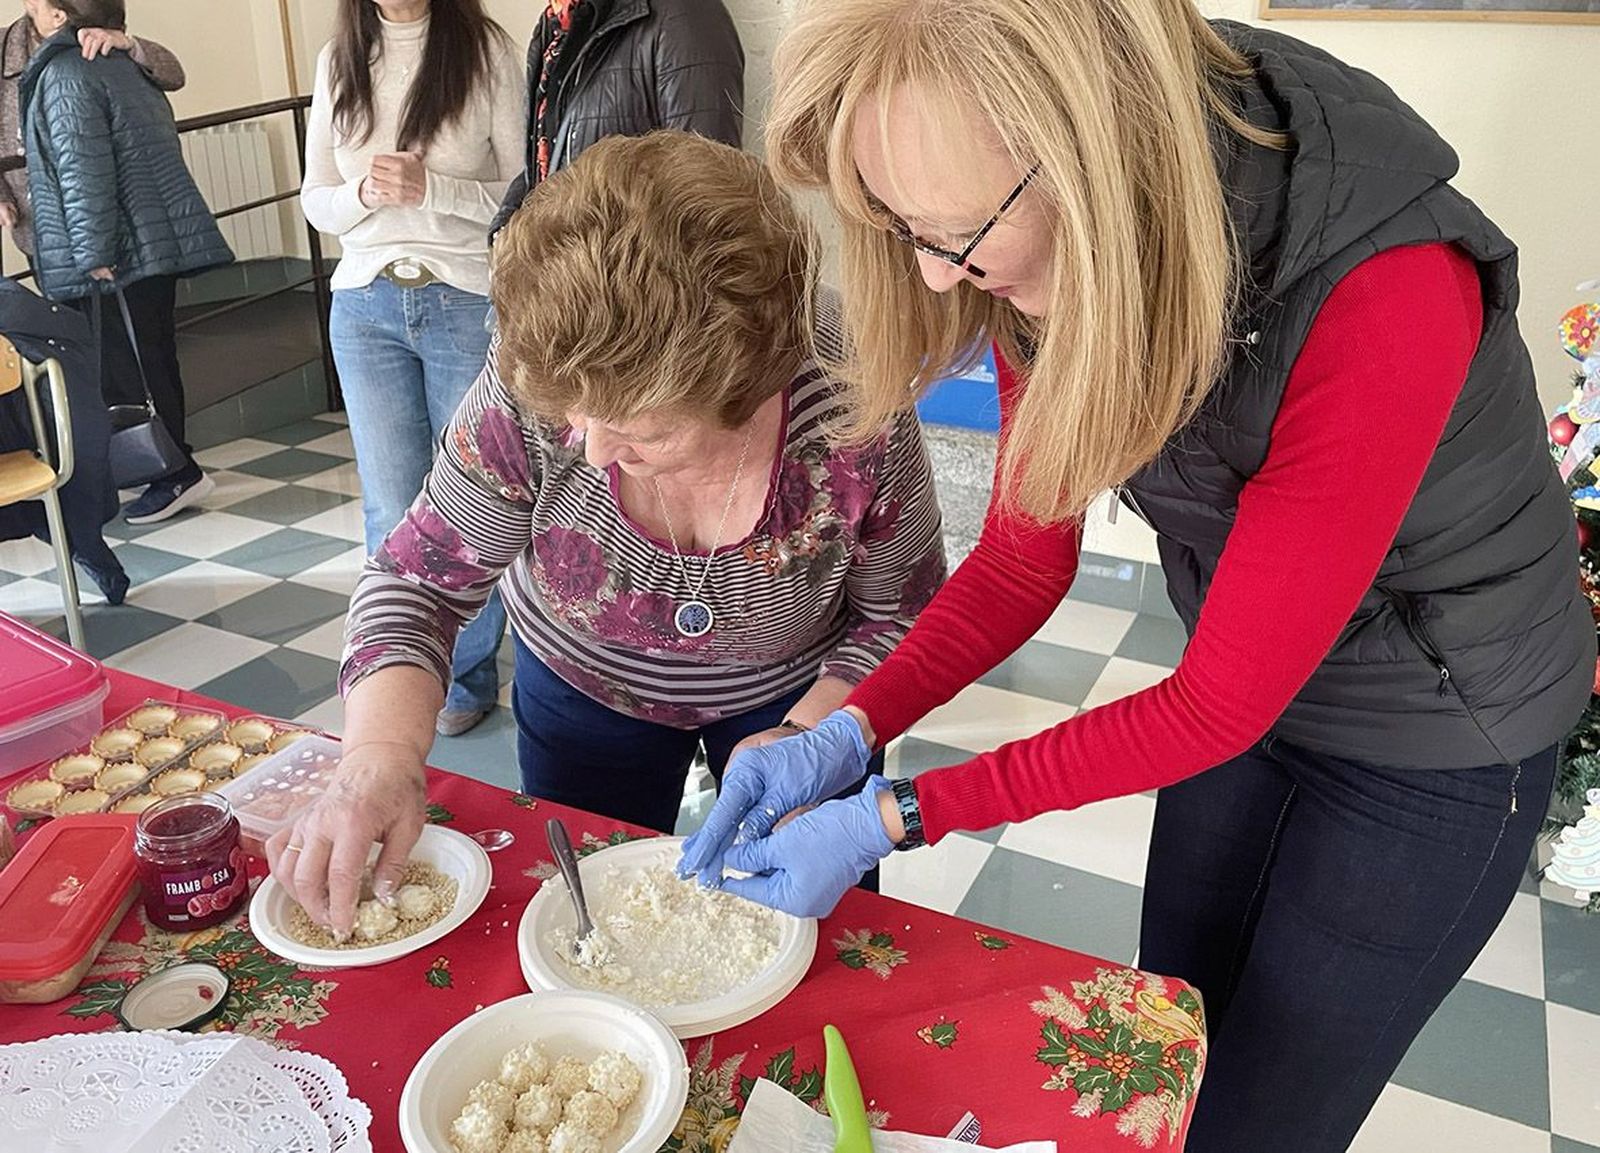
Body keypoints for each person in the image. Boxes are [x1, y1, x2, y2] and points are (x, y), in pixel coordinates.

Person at [677, 3, 1593, 1150]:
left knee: (1262, 1115)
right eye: (902, 227)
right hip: (1258, 678)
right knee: (1168, 1028)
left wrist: (898, 815)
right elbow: (1022, 559)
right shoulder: (1034, 248)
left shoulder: (1382, 286)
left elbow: (1212, 705)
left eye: (952, 235)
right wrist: (849, 727)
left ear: (1089, 164)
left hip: (1446, 724)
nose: (933, 275)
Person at [267, 130, 946, 944]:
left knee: (808, 930)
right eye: (576, 415)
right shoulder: (544, 380)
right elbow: (417, 583)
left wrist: (816, 734)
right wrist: (377, 755)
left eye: (640, 430)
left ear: (748, 387)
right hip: (582, 690)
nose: (589, 451)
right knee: (588, 924)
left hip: (801, 695)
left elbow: (904, 616)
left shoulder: (852, 400)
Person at [301, 0, 522, 737]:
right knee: (391, 505)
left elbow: (527, 190)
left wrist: (434, 191)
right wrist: (363, 193)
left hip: (464, 298)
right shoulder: (339, 58)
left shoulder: (486, 50)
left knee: (475, 502)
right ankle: (395, 673)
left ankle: (466, 677)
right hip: (364, 304)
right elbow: (316, 199)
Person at [20, 0, 230, 527]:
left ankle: (175, 472)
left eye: (40, 4)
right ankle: (170, 465)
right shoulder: (121, 63)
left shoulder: (67, 73)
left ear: (61, 17)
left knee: (127, 367)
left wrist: (94, 252)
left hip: (116, 253)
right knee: (153, 357)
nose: (29, 9)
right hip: (148, 241)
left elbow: (82, 168)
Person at [487, 0, 744, 237]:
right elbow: (545, 160)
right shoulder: (558, 22)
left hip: (625, 270)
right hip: (569, 267)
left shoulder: (686, 14)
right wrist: (504, 229)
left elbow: (706, 199)